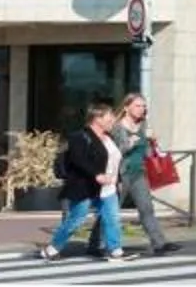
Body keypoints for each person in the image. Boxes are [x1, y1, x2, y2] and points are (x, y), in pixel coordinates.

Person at [30, 101, 130, 264]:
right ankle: (52, 249)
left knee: (112, 218)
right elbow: (78, 159)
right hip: (85, 186)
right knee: (76, 220)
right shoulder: (79, 136)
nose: (112, 120)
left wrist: (116, 179)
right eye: (109, 117)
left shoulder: (109, 138)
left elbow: (113, 160)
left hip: (107, 187)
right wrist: (96, 174)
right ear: (98, 118)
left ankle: (115, 251)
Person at [85, 91, 175, 258]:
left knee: (146, 208)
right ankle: (97, 243)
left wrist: (153, 141)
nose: (142, 109)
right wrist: (129, 143)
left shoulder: (143, 125)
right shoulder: (117, 127)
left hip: (138, 172)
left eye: (143, 106)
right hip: (119, 174)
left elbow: (146, 151)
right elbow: (112, 151)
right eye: (137, 106)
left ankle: (159, 243)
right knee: (111, 210)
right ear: (126, 107)